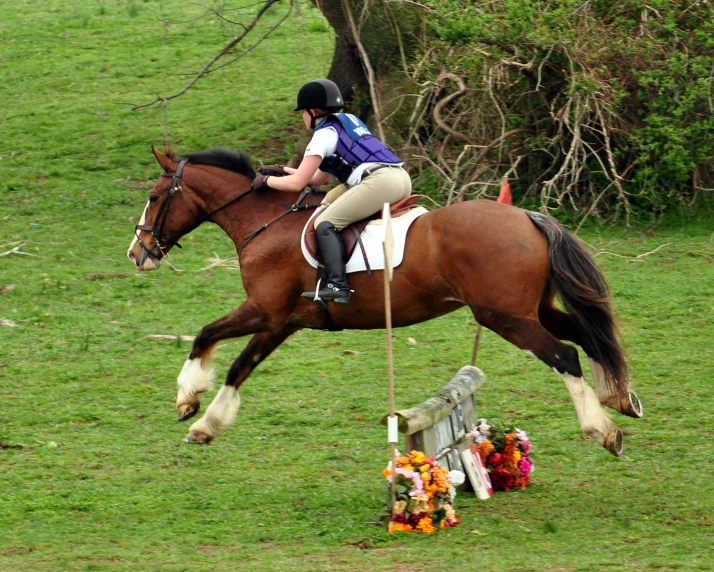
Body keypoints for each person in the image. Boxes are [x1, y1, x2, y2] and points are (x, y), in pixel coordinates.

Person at [252, 79, 412, 306]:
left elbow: (298, 184)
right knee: (326, 202)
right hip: (398, 177)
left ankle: (337, 286)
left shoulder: (323, 134)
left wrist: (266, 181)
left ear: (313, 111)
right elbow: (317, 178)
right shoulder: (349, 121)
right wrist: (283, 170)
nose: (303, 118)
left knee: (325, 223)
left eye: (303, 113)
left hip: (380, 182)